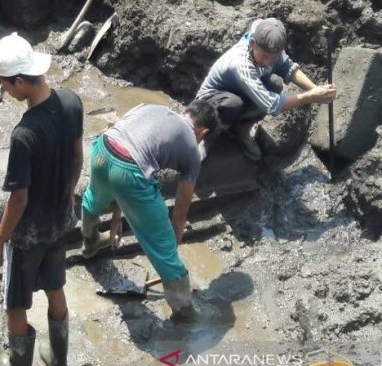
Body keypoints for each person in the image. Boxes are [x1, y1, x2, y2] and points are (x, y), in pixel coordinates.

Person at [0, 32, 84, 366]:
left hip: (28, 235)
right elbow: (77, 158)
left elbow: (19, 200)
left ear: (20, 81)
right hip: (61, 220)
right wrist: (67, 197)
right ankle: (58, 358)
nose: (5, 91)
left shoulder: (24, 134)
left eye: (5, 85)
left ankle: (18, 360)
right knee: (55, 284)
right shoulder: (71, 101)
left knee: (15, 303)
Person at [81, 101, 218, 321]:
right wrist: (172, 244)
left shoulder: (150, 107)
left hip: (102, 149)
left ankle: (90, 243)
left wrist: (118, 214)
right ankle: (184, 311)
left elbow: (121, 149)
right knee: (163, 247)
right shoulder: (193, 151)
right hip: (129, 170)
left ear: (185, 112)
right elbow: (181, 208)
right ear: (203, 132)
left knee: (92, 200)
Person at [196, 18, 337, 161]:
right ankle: (206, 139)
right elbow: (272, 105)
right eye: (263, 56)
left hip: (239, 90)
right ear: (252, 44)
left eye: (273, 58)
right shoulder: (240, 64)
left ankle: (241, 128)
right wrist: (310, 97)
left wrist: (316, 89)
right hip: (210, 102)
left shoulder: (269, 41)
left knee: (275, 84)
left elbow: (288, 67)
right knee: (232, 104)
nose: (267, 62)